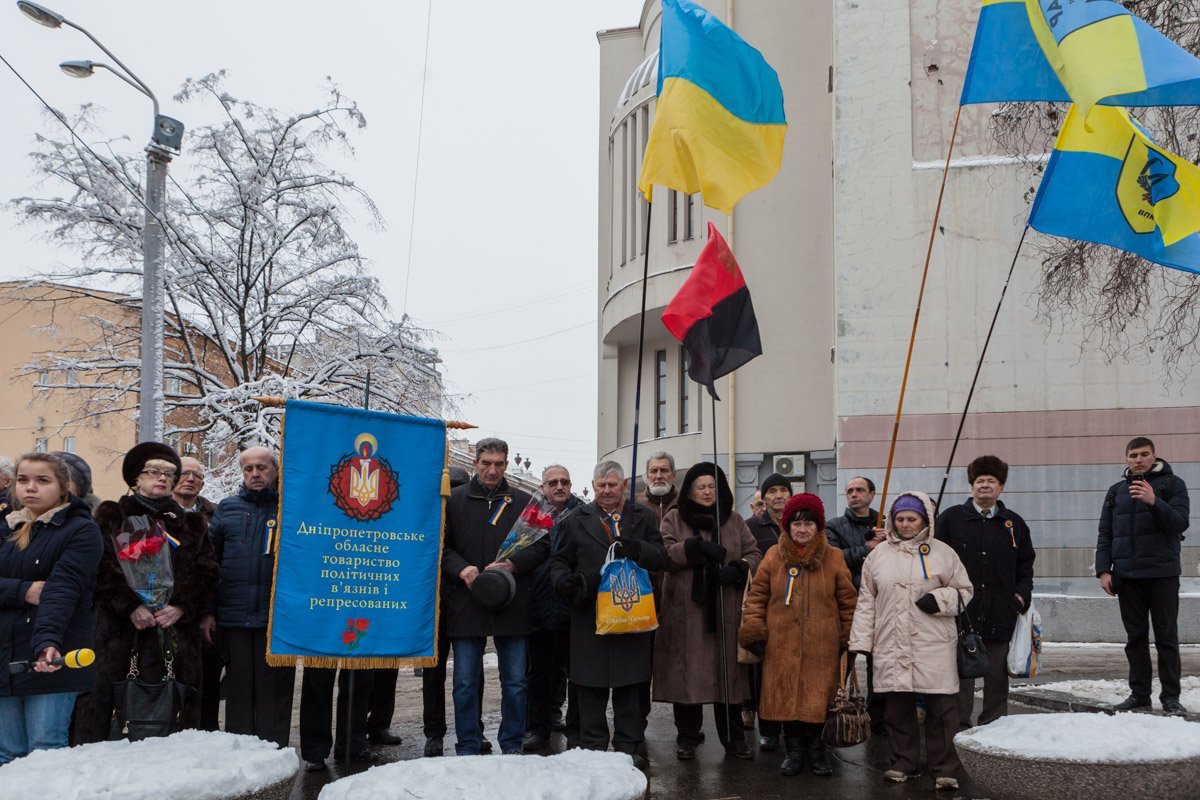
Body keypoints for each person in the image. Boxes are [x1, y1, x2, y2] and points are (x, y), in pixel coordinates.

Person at [75, 442, 219, 743]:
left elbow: (207, 571)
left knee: (173, 720)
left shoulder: (191, 524)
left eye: (169, 473)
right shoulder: (113, 516)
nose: (162, 478)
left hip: (174, 634)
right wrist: (130, 606)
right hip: (120, 633)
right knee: (108, 716)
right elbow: (100, 567)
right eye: (153, 471)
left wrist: (181, 606)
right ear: (135, 478)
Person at [849, 491, 973, 791]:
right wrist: (860, 641)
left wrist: (941, 599)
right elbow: (867, 600)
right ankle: (902, 761)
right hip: (891, 642)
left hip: (934, 642)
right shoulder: (878, 555)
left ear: (924, 519)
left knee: (942, 708)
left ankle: (943, 766)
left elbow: (964, 590)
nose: (905, 524)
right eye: (900, 519)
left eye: (911, 518)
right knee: (897, 707)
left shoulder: (943, 552)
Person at [549, 461, 666, 768]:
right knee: (590, 686)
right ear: (593, 484)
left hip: (632, 612)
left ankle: (629, 745)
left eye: (612, 485)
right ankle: (593, 746)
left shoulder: (643, 517)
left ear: (624, 485)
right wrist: (565, 582)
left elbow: (660, 556)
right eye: (601, 485)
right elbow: (560, 561)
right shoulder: (575, 519)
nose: (606, 491)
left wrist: (637, 547)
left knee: (631, 685)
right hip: (590, 616)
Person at [739, 492, 856, 776]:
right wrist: (754, 631)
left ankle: (817, 752)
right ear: (787, 526)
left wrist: (849, 637)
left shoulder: (834, 557)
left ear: (818, 527)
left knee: (818, 700)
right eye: (796, 524)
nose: (802, 530)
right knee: (787, 701)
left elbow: (848, 601)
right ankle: (793, 752)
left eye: (809, 524)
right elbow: (757, 597)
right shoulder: (773, 556)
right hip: (781, 645)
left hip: (823, 645)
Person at [442, 438, 546, 755]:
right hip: (466, 602)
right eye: (486, 463)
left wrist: (515, 564)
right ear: (475, 462)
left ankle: (512, 744)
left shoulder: (524, 502)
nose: (492, 470)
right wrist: (461, 569)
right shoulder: (454, 501)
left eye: (499, 464)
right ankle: (468, 744)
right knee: (464, 684)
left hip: (512, 603)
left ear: (506, 463)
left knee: (515, 683)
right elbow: (438, 547)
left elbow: (543, 545)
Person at [653, 462, 761, 760]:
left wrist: (740, 568)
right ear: (689, 490)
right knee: (687, 677)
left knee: (728, 678)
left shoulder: (734, 520)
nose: (707, 491)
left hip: (725, 612)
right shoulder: (674, 518)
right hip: (686, 612)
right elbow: (664, 554)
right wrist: (694, 549)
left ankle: (733, 738)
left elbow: (754, 553)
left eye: (712, 486)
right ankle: (687, 737)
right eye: (700, 486)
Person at [0, 453, 102, 764]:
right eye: (23, 480)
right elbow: (37, 591)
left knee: (46, 750)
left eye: (42, 480)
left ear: (63, 487)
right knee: (7, 753)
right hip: (4, 654)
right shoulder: (5, 528)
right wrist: (24, 590)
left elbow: (62, 590)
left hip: (52, 651)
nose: (30, 488)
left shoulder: (81, 530)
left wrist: (47, 642)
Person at [937, 456, 1035, 729]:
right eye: (979, 481)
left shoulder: (1013, 524)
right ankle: (957, 727)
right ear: (971, 486)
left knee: (995, 675)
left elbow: (1026, 565)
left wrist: (1019, 597)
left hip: (1000, 611)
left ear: (1001, 488)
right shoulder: (951, 519)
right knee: (961, 674)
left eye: (991, 481)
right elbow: (936, 561)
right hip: (961, 612)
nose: (985, 486)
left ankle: (994, 726)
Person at [207, 447, 295, 747]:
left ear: (276, 471)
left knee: (275, 691)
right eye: (248, 469)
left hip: (278, 618)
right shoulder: (226, 508)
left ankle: (275, 750)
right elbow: (210, 563)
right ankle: (241, 751)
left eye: (262, 468)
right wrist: (209, 611)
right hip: (234, 615)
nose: (255, 474)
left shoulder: (291, 508)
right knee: (239, 688)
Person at [1096, 436, 1190, 715]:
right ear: (1126, 459)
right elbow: (1105, 534)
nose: (1138, 459)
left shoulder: (1174, 485)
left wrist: (1153, 501)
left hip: (1163, 574)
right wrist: (1104, 570)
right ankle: (1139, 694)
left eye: (1144, 454)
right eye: (1133, 455)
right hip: (1127, 577)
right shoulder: (1115, 492)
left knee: (1166, 637)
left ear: (1154, 456)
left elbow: (1179, 523)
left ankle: (1171, 697)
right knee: (1135, 638)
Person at [421, 465, 484, 757]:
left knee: (471, 674)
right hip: (434, 606)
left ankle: (475, 728)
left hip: (466, 604)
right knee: (434, 675)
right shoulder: (429, 518)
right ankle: (434, 732)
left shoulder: (470, 517)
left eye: (460, 487)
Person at [524, 464, 585, 752]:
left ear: (571, 485)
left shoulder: (584, 514)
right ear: (543, 488)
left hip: (574, 606)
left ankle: (575, 728)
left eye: (564, 481)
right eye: (552, 482)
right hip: (537, 606)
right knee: (538, 673)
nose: (559, 486)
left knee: (576, 673)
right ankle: (537, 728)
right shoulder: (531, 517)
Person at [825, 475, 887, 732]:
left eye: (860, 490)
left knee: (879, 664)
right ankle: (832, 714)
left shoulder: (887, 524)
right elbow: (834, 559)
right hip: (846, 604)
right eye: (850, 490)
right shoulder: (835, 526)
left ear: (872, 494)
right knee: (840, 663)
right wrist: (867, 547)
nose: (854, 494)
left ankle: (878, 719)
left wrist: (889, 540)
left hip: (880, 604)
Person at [741, 473, 792, 749]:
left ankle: (793, 725)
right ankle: (769, 729)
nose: (778, 495)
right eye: (772, 490)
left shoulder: (801, 523)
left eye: (784, 490)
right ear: (765, 496)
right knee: (764, 672)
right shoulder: (751, 526)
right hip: (765, 605)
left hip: (796, 609)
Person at [171, 457, 222, 732]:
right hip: (167, 613)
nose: (190, 479)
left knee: (207, 683)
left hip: (204, 612)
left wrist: (208, 611)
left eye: (197, 475)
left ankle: (206, 735)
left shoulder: (215, 515)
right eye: (185, 473)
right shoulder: (156, 513)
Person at [636, 451, 679, 527]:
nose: (659, 476)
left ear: (674, 475)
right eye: (654, 471)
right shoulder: (635, 505)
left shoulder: (685, 503)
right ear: (647, 476)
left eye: (664, 470)